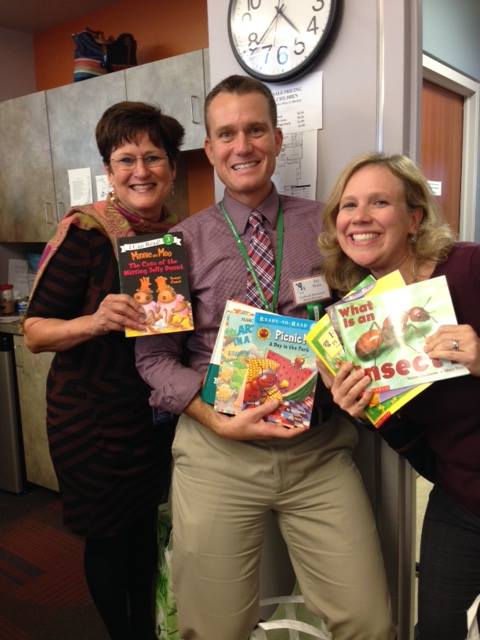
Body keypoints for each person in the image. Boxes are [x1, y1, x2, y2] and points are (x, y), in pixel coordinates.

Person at [135, 75, 395, 640]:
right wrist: (212, 419)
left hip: (319, 454)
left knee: (370, 622)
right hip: (216, 458)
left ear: (277, 139)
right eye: (226, 133)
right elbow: (153, 361)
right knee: (212, 629)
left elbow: (374, 301)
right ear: (209, 150)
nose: (242, 145)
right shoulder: (169, 247)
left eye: (255, 129)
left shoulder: (331, 224)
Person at [23, 101, 184, 640]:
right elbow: (35, 331)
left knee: (144, 532)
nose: (141, 171)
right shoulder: (86, 233)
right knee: (110, 539)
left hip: (150, 417)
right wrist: (93, 322)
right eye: (126, 159)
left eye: (154, 157)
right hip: (91, 421)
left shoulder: (174, 237)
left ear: (172, 169)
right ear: (109, 171)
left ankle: (147, 627)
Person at [316, 151, 480, 640]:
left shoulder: (470, 268)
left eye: (379, 202)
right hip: (462, 501)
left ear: (413, 218)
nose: (359, 218)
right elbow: (409, 430)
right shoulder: (353, 315)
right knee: (435, 629)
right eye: (348, 206)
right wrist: (364, 410)